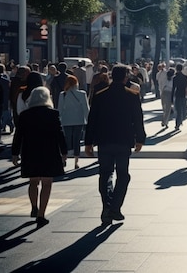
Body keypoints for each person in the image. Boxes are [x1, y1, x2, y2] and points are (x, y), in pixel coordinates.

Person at [85, 65, 145, 226]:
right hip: (124, 140)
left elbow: (92, 120)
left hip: (104, 140)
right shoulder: (131, 96)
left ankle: (107, 206)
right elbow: (138, 119)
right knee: (123, 175)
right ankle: (115, 207)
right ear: (126, 78)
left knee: (105, 174)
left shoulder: (100, 95)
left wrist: (88, 142)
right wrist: (140, 138)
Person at [11, 87, 67, 226]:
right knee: (47, 183)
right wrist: (64, 152)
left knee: (33, 181)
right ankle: (41, 214)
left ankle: (34, 206)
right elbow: (60, 134)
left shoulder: (25, 114)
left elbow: (18, 136)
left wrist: (15, 153)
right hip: (50, 151)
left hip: (31, 151)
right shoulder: (53, 114)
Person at [57, 75, 90, 170]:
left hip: (66, 120)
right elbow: (86, 109)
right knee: (77, 141)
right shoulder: (82, 94)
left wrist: (58, 120)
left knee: (67, 140)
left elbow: (59, 109)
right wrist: (88, 120)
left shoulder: (62, 94)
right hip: (79, 120)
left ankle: (64, 159)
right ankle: (76, 162)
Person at [172, 63, 187, 131]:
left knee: (178, 110)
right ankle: (180, 120)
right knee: (184, 109)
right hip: (184, 94)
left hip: (177, 94)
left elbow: (173, 88)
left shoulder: (175, 77)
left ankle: (177, 124)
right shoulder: (185, 77)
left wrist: (171, 98)